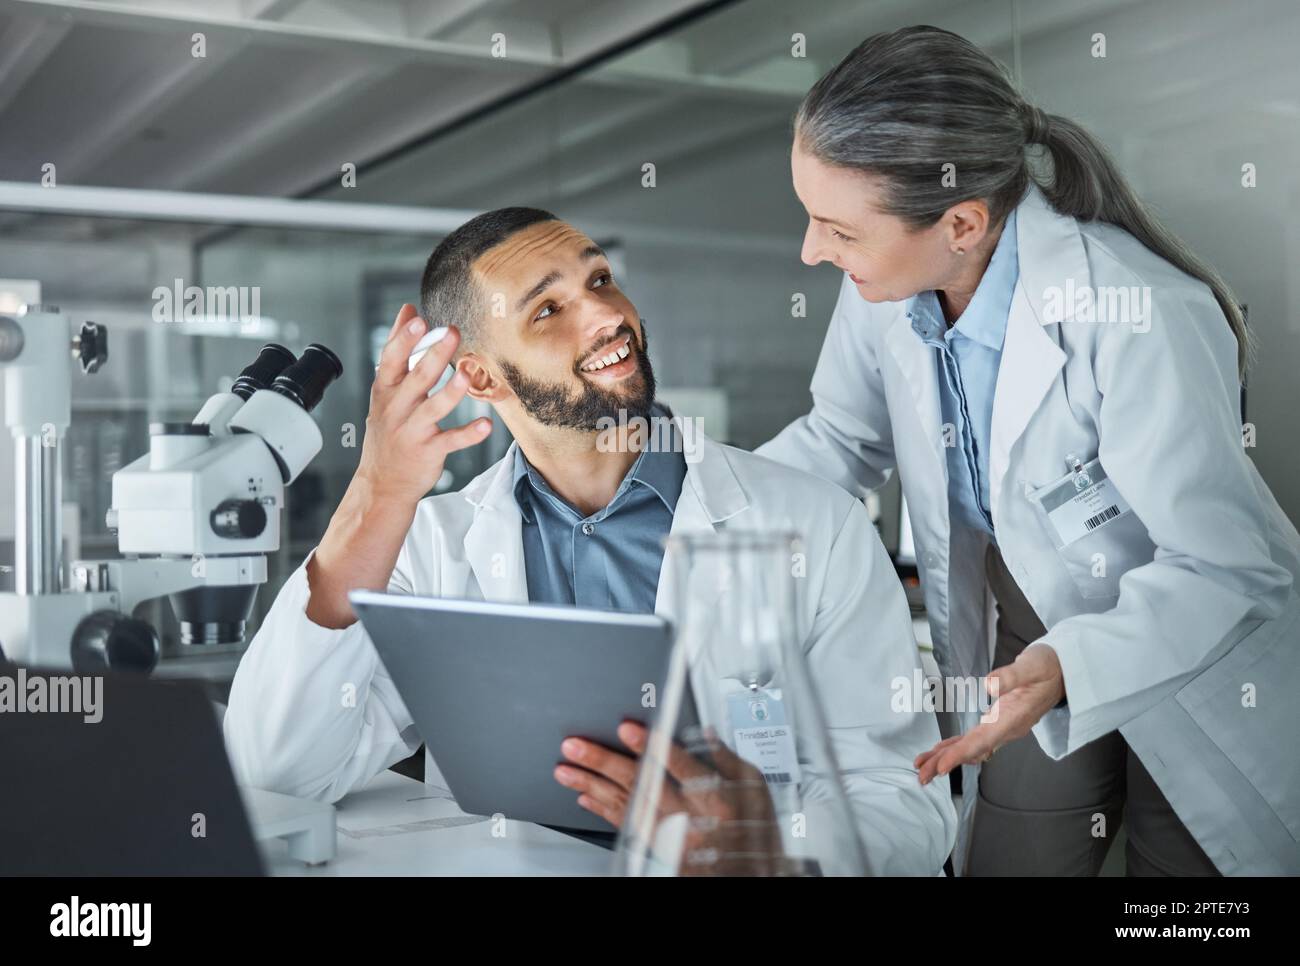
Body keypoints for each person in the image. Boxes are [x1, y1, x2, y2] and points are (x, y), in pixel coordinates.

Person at [222, 207, 957, 875]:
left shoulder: (814, 524)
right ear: (479, 375)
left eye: (600, 278)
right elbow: (282, 773)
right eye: (550, 308)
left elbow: (908, 807)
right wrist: (375, 498)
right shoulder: (432, 547)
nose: (606, 313)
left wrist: (770, 844)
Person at [757, 25, 1300, 876]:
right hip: (1022, 623)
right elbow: (838, 441)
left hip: (1197, 639)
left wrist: (1065, 662)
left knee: (1183, 900)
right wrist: (678, 506)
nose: (812, 250)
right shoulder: (884, 288)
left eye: (838, 228)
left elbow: (1228, 566)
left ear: (963, 222)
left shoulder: (1138, 309)